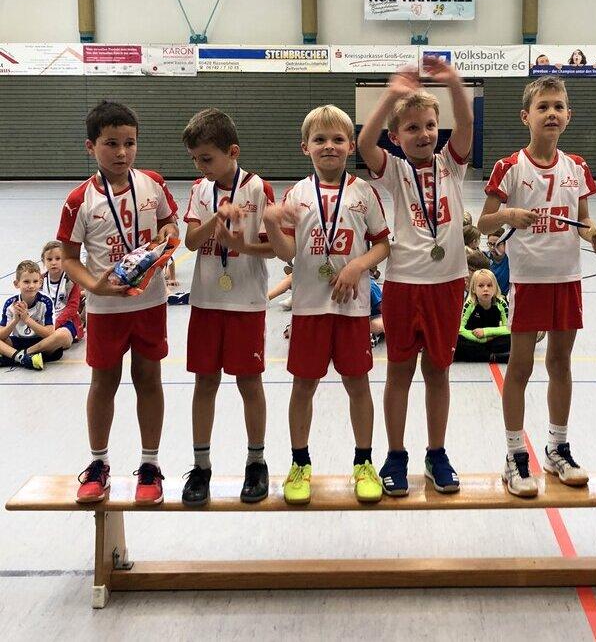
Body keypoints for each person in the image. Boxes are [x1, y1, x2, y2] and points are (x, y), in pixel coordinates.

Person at [479, 75, 596, 498]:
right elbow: (482, 222)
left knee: (561, 364)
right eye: (543, 107)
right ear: (526, 116)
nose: (552, 113)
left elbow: (585, 220)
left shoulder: (578, 167)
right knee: (520, 368)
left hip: (567, 279)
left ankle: (557, 447)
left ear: (568, 116)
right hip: (527, 281)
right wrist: (508, 216)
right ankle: (515, 454)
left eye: (559, 107)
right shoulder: (509, 167)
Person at [263, 105, 391, 504]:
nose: (329, 146)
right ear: (306, 147)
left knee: (358, 385)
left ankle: (364, 462)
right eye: (320, 140)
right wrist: (270, 223)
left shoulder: (363, 192)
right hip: (309, 308)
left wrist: (358, 265)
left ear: (351, 145)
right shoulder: (297, 195)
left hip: (352, 310)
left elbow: (384, 244)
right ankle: (300, 463)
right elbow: (287, 253)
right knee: (304, 386)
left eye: (337, 139)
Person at [357, 57, 473, 496]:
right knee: (399, 373)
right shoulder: (394, 171)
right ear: (396, 136)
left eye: (429, 126)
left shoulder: (452, 166)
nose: (423, 134)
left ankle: (437, 451)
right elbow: (363, 143)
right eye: (411, 128)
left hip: (448, 283)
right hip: (404, 284)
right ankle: (396, 454)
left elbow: (464, 123)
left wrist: (454, 82)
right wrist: (392, 92)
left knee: (439, 373)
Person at [59, 100, 179, 505]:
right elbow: (70, 258)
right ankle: (97, 464)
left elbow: (170, 222)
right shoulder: (79, 201)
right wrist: (95, 284)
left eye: (130, 142)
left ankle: (149, 464)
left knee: (149, 381)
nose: (122, 152)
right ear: (90, 146)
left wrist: (166, 237)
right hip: (107, 308)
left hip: (150, 302)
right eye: (111, 143)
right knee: (104, 384)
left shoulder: (154, 184)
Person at [179, 108, 276, 506]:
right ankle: (201, 466)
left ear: (232, 151)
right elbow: (189, 242)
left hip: (246, 302)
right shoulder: (200, 190)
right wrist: (213, 220)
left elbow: (272, 248)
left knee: (249, 383)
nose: (201, 166)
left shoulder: (258, 190)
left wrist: (241, 246)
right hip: (206, 300)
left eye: (207, 158)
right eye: (195, 160)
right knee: (205, 383)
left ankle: (257, 462)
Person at [0, 261, 61, 369]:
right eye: (26, 282)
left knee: (59, 338)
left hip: (39, 342)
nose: (31, 285)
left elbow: (49, 333)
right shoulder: (10, 303)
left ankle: (13, 357)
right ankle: (24, 358)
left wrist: (27, 319)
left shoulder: (46, 302)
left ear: (40, 283)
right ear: (16, 283)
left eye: (35, 281)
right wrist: (15, 320)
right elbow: (2, 335)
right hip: (17, 341)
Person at [455, 269, 511, 363]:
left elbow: (509, 328)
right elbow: (460, 329)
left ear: (495, 288)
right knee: (457, 341)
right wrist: (481, 339)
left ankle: (479, 355)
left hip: (493, 339)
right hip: (474, 340)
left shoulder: (501, 303)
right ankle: (493, 357)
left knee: (512, 338)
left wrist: (486, 332)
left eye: (489, 285)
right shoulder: (470, 304)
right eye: (481, 286)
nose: (485, 289)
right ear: (473, 289)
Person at [40, 240, 85, 346]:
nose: (53, 262)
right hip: (45, 322)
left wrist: (56, 324)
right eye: (49, 259)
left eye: (58, 258)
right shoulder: (39, 280)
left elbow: (72, 308)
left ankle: (33, 349)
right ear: (43, 261)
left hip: (66, 322)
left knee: (62, 337)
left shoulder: (71, 280)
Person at [486, 228, 510, 296]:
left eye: (497, 244)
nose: (493, 247)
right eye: (490, 244)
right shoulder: (484, 258)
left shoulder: (511, 260)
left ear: (506, 244)